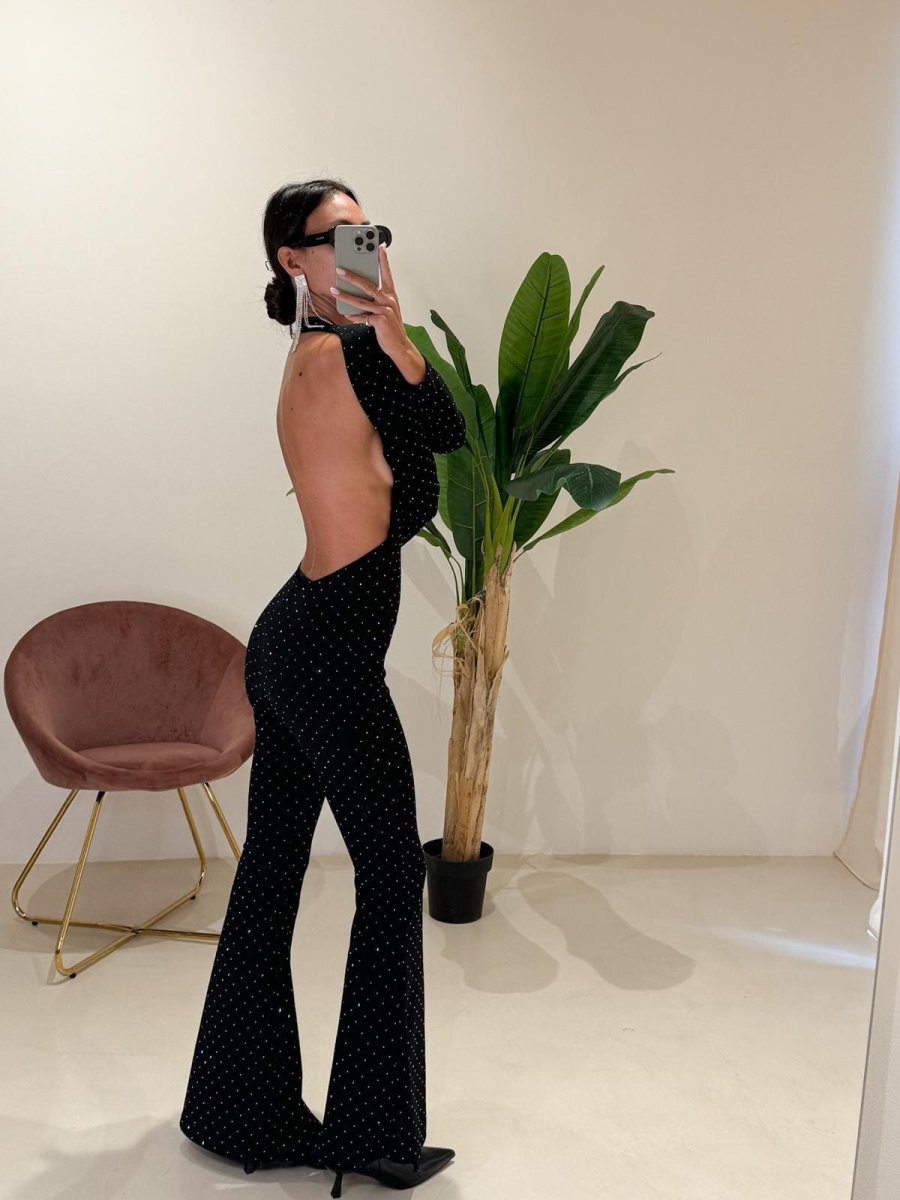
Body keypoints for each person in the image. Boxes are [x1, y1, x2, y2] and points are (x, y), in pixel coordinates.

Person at [178, 178, 466, 1198]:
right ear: (292, 260)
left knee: (272, 869)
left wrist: (389, 333)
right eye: (337, 236)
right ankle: (374, 1139)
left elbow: (428, 431)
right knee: (389, 876)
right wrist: (394, 339)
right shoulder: (349, 356)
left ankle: (235, 1111)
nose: (362, 248)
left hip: (295, 642)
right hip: (328, 652)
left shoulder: (317, 351)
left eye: (369, 231)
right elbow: (448, 433)